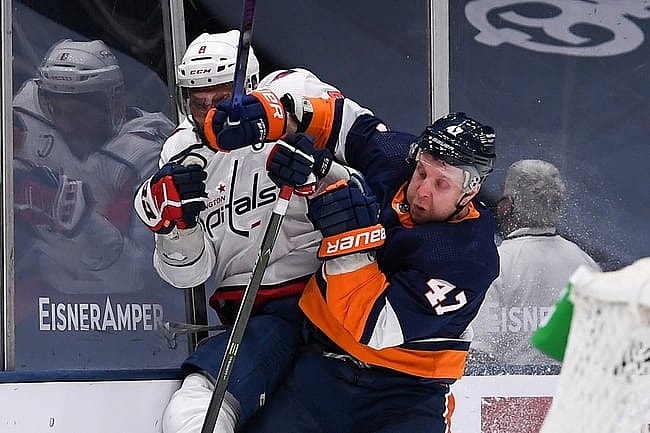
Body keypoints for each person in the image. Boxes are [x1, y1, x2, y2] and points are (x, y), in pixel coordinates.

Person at [203, 100, 499, 431]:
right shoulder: (394, 160)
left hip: (406, 395)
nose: (423, 192)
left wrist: (350, 240)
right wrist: (277, 116)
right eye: (421, 172)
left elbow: (372, 325)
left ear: (470, 190)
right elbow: (343, 122)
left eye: (441, 184)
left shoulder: (469, 256)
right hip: (321, 372)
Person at [133, 31, 372, 433]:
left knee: (201, 411)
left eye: (221, 99)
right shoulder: (181, 152)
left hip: (327, 299)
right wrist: (175, 229)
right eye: (198, 102)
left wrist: (319, 172)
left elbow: (373, 184)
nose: (209, 113)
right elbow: (188, 274)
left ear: (249, 87)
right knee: (193, 415)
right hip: (254, 317)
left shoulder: (292, 95)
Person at [12, 39, 177, 369]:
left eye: (81, 107)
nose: (67, 120)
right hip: (42, 292)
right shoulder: (25, 115)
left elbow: (144, 276)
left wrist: (85, 225)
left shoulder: (146, 153)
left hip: (122, 314)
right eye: (55, 105)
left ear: (113, 99)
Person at [469, 159, 600, 368]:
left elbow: (479, 352)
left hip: (508, 396)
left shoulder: (495, 264)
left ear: (506, 205)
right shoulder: (586, 265)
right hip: (571, 392)